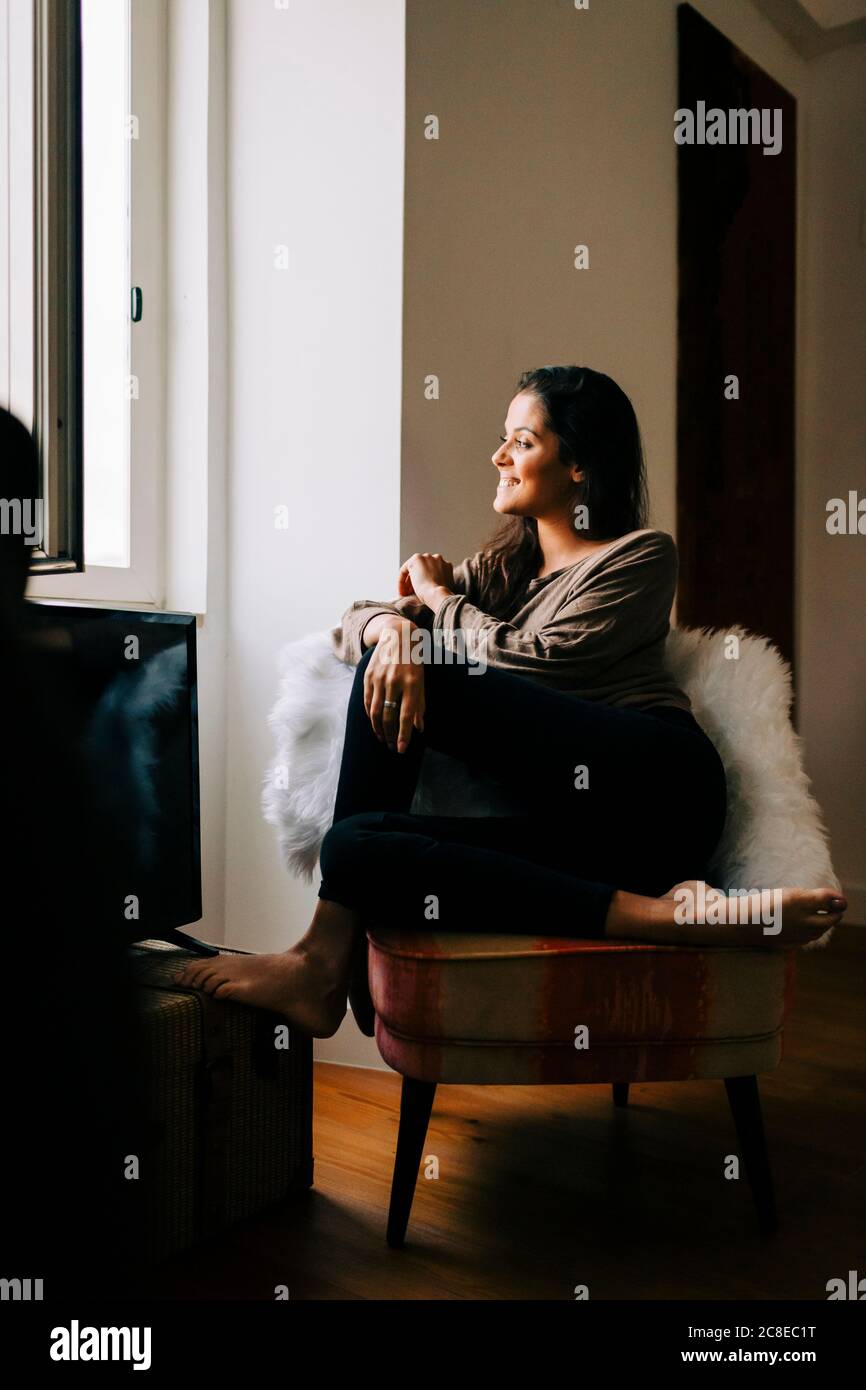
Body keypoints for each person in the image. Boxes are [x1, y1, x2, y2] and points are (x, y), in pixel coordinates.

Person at [179, 366, 846, 1034]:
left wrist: (436, 606)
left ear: (579, 463)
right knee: (352, 848)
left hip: (657, 790)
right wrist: (397, 633)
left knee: (425, 666)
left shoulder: (639, 556)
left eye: (521, 441)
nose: (498, 456)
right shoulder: (503, 574)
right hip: (595, 850)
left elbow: (542, 666)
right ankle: (672, 917)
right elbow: (356, 620)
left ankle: (321, 960)